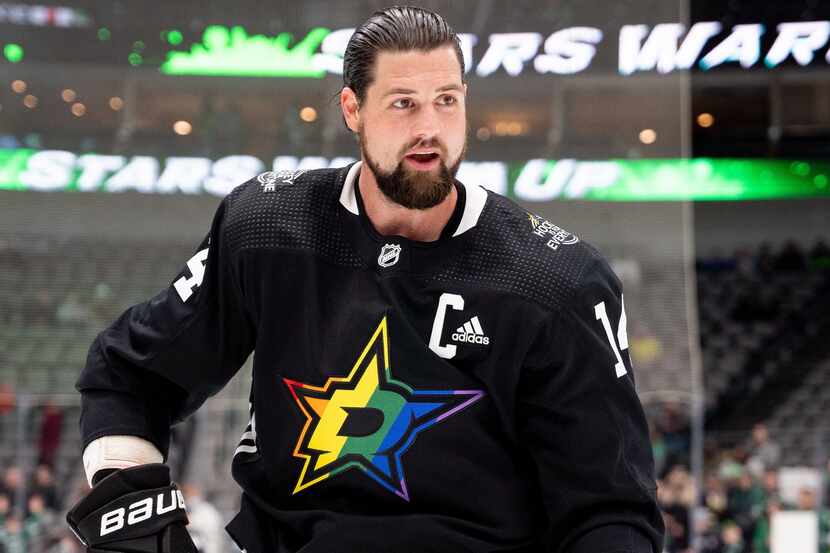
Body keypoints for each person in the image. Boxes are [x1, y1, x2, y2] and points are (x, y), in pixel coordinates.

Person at [67, 6, 664, 553]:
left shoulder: (557, 280)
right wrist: (136, 530)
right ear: (352, 109)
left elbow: (610, 513)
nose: (429, 127)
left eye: (447, 100)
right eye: (403, 102)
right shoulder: (265, 227)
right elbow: (130, 375)